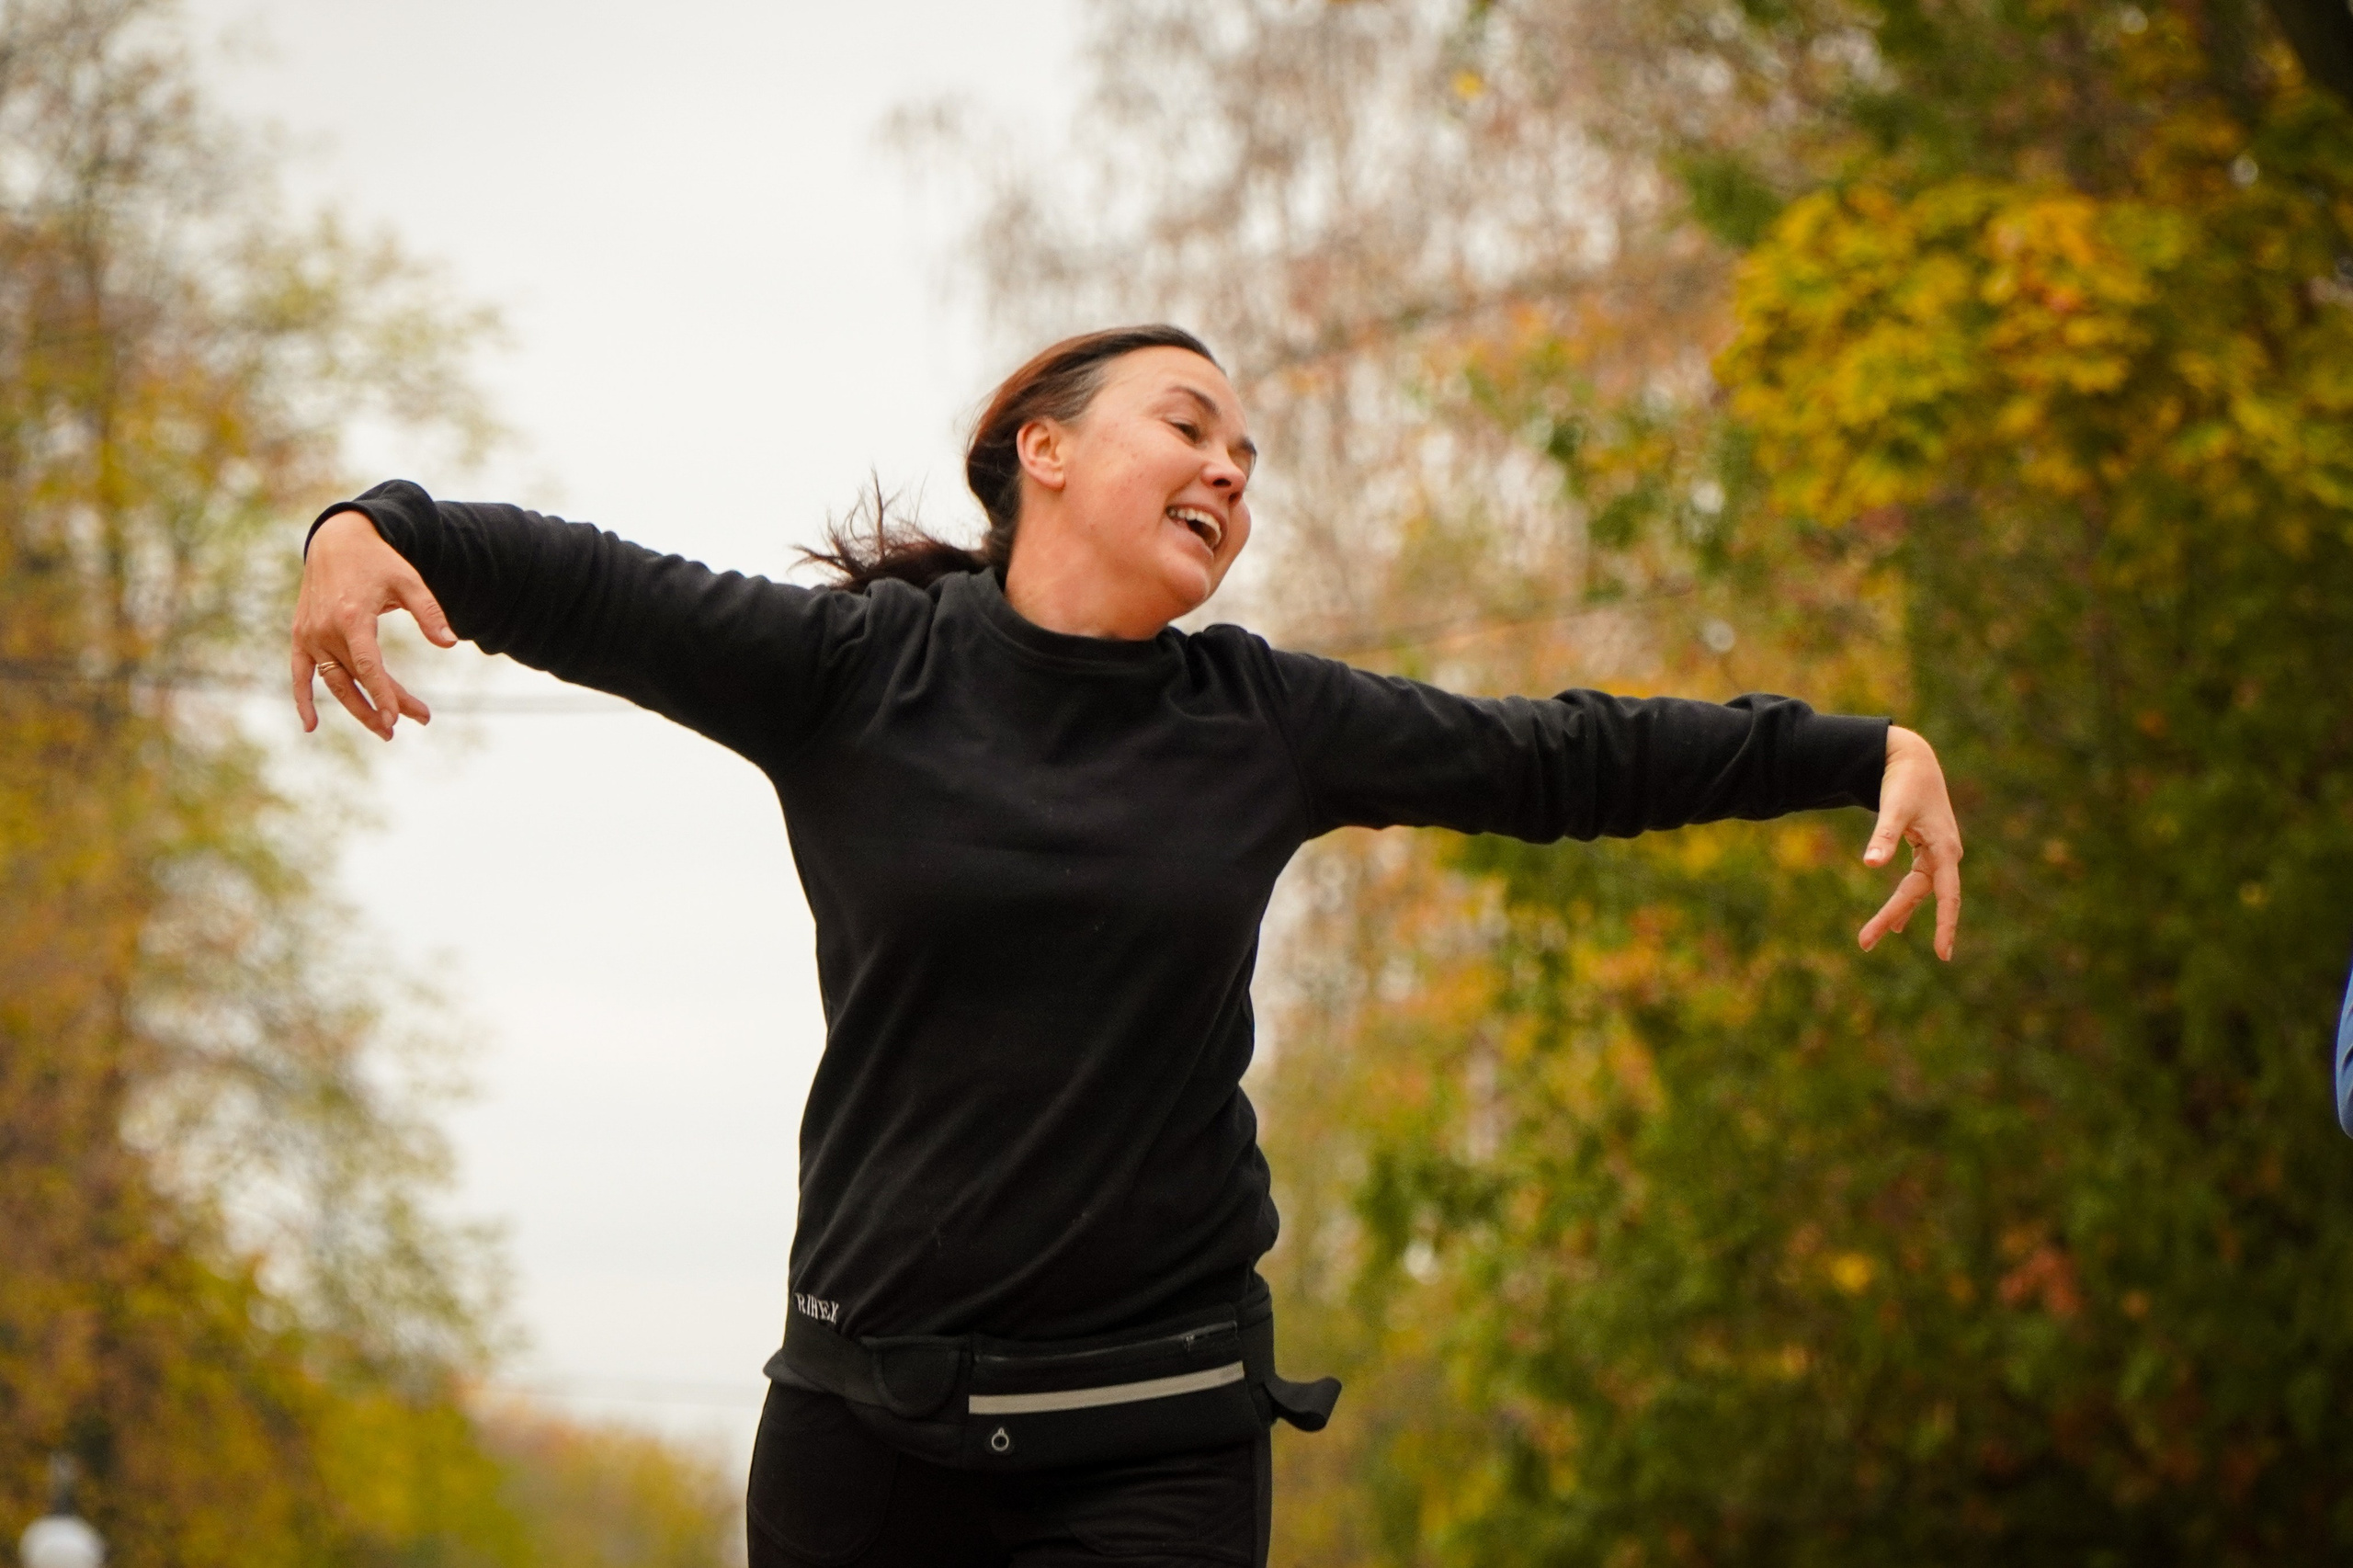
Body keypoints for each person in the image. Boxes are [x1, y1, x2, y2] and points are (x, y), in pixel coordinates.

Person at [290, 324, 1963, 1568]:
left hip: (1152, 1432)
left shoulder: (1262, 720)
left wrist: (1848, 748)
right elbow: (593, 586)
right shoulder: (853, 674)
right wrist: (374, 528)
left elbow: (1556, 757)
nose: (1232, 470)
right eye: (1191, 425)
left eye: (1249, 460)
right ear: (1047, 449)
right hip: (864, 1425)